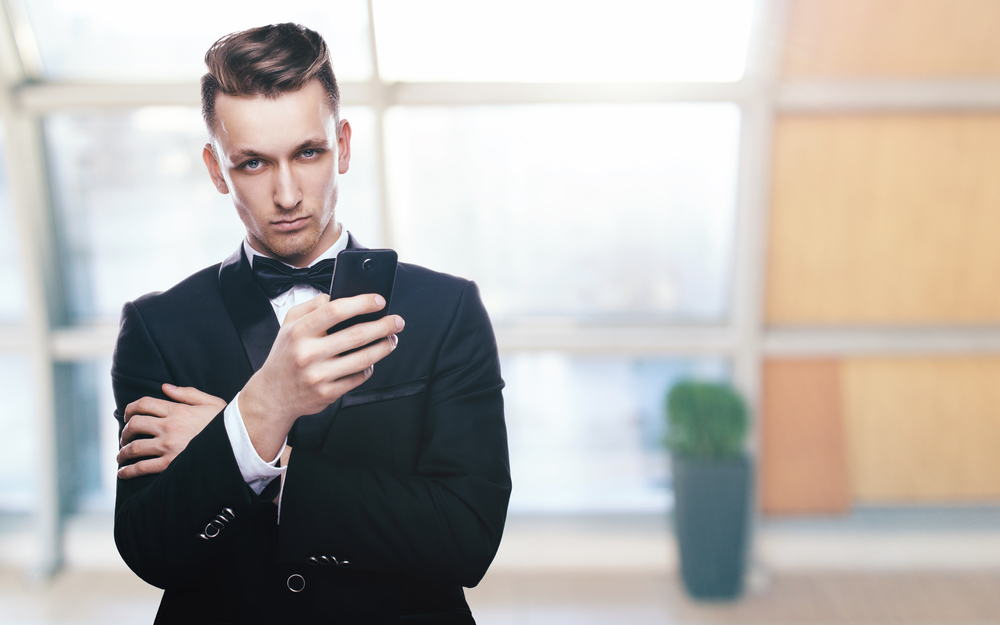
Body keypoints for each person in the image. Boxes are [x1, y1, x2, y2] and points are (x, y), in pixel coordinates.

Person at [111, 23, 510, 624]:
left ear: (342, 146)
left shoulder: (448, 311)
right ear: (217, 170)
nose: (288, 193)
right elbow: (153, 552)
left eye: (308, 152)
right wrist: (263, 407)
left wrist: (246, 450)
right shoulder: (156, 326)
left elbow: (467, 540)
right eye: (252, 163)